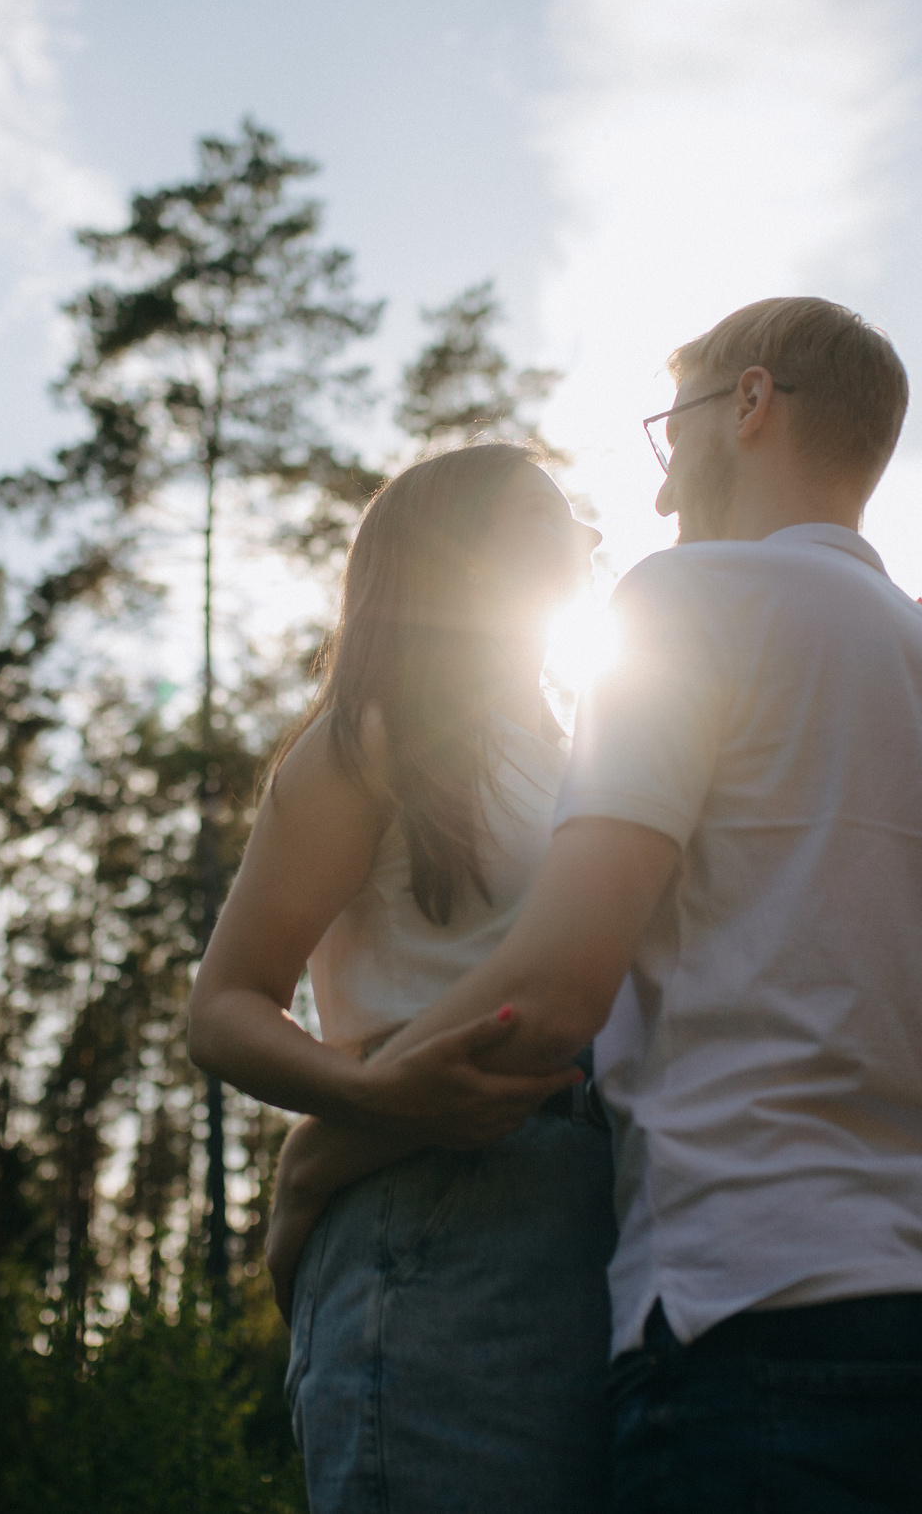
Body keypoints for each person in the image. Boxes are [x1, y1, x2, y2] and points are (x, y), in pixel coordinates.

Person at [278, 297, 922, 1512]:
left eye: (671, 429)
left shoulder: (689, 603)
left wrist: (325, 1149)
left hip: (760, 1338)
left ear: (748, 403)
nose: (657, 495)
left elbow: (553, 995)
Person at [187, 442, 616, 1514]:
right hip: (434, 1219)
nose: (588, 534)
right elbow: (224, 1005)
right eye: (548, 514)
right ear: (459, 551)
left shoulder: (591, 758)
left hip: (603, 1224)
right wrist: (365, 1098)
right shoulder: (376, 739)